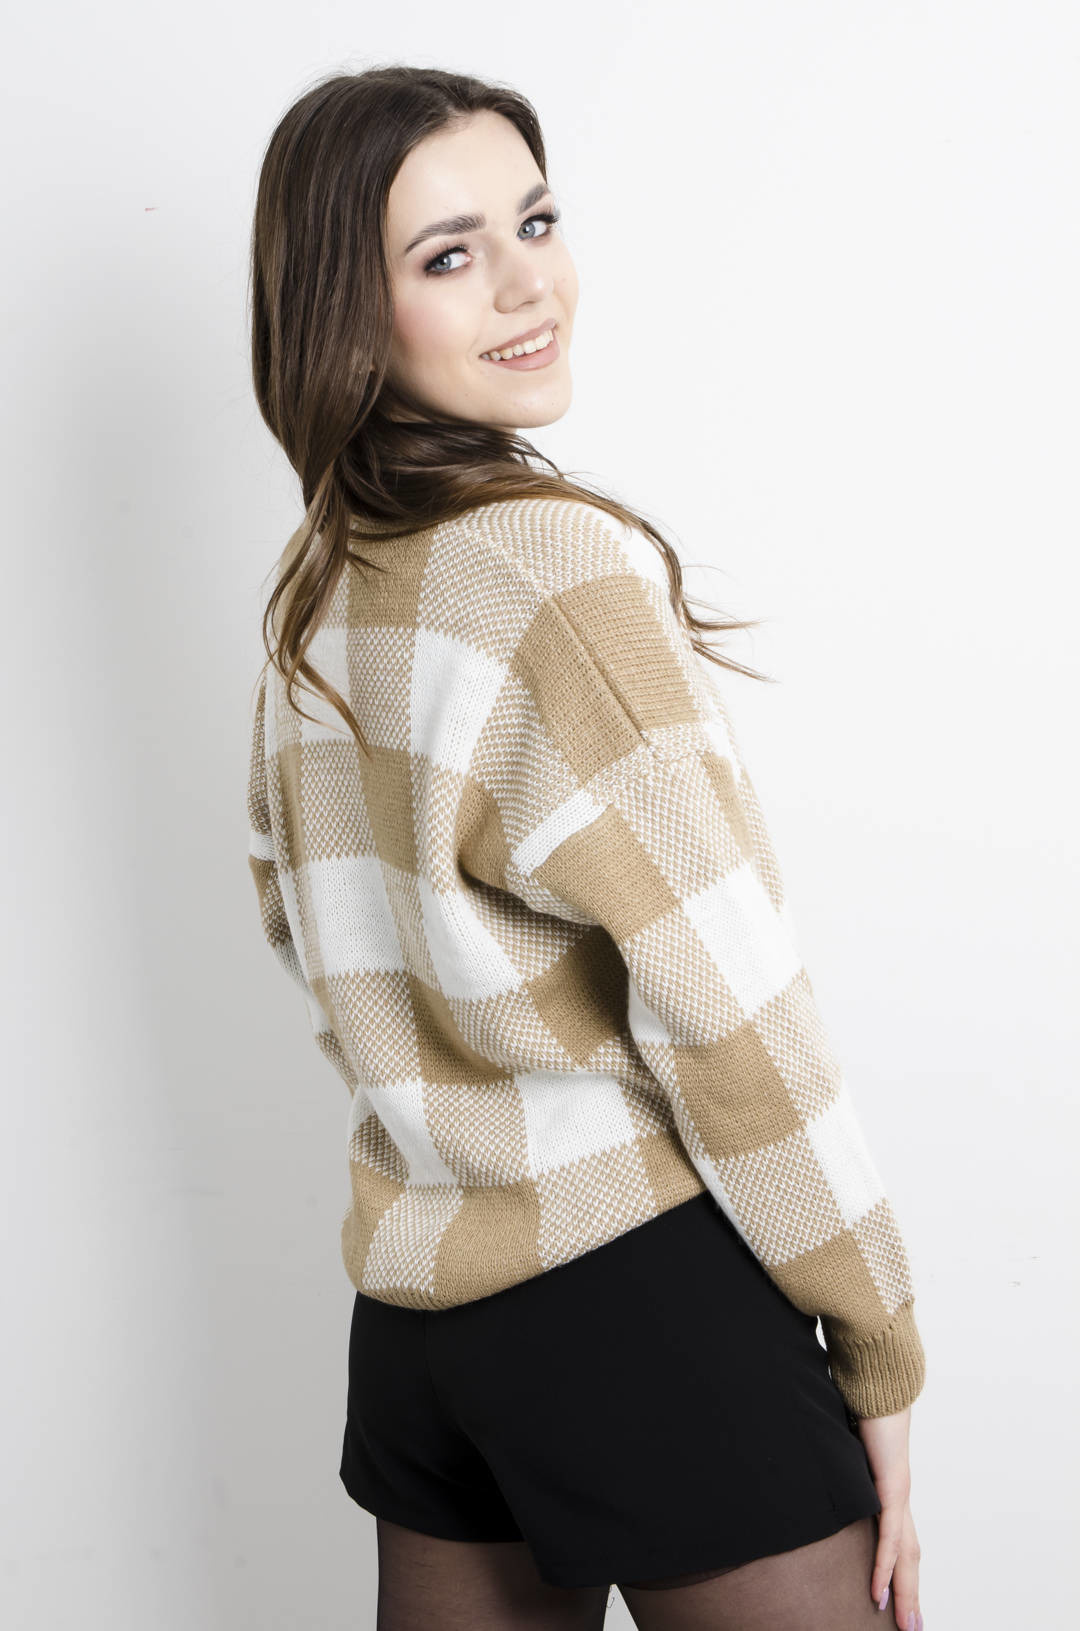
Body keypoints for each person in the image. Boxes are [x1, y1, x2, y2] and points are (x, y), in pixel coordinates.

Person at [245, 64, 927, 1631]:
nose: (525, 282)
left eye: (535, 222)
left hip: (423, 1331)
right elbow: (728, 1002)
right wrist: (878, 1341)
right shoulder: (548, 565)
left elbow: (305, 928)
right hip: (639, 1299)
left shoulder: (320, 591)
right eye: (449, 254)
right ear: (345, 307)